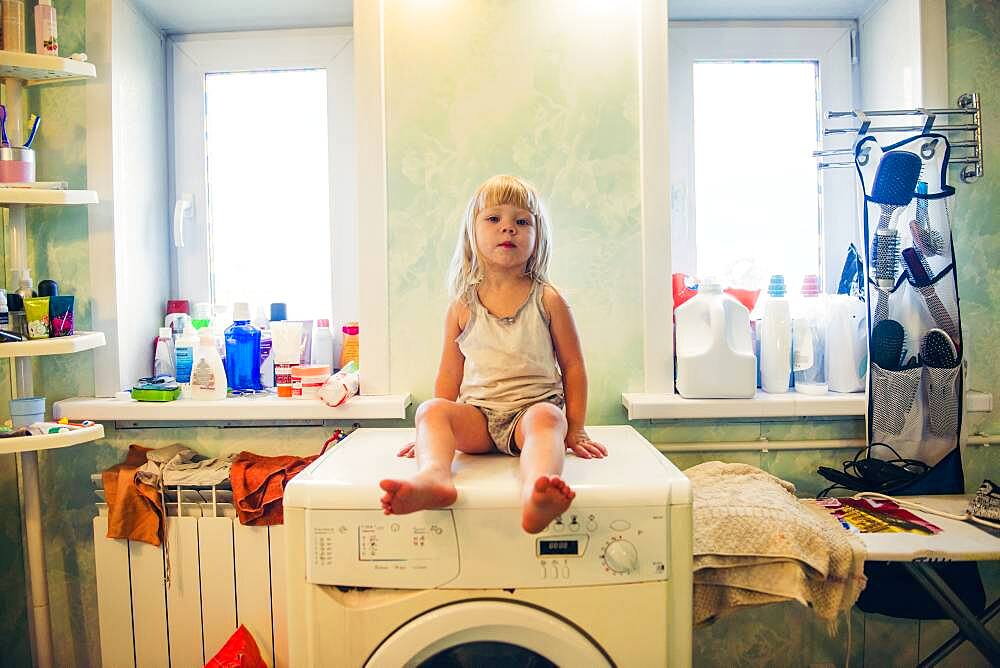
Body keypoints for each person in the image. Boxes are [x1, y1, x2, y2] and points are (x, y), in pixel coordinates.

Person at [379, 174, 606, 533]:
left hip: (528, 415)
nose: (508, 229)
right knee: (430, 410)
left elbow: (574, 367)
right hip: (479, 419)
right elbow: (450, 374)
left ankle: (536, 491)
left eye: (521, 221)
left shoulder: (548, 299)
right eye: (494, 219)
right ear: (473, 231)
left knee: (548, 418)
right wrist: (435, 435)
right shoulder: (462, 305)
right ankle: (435, 478)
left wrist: (576, 429)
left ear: (537, 235)